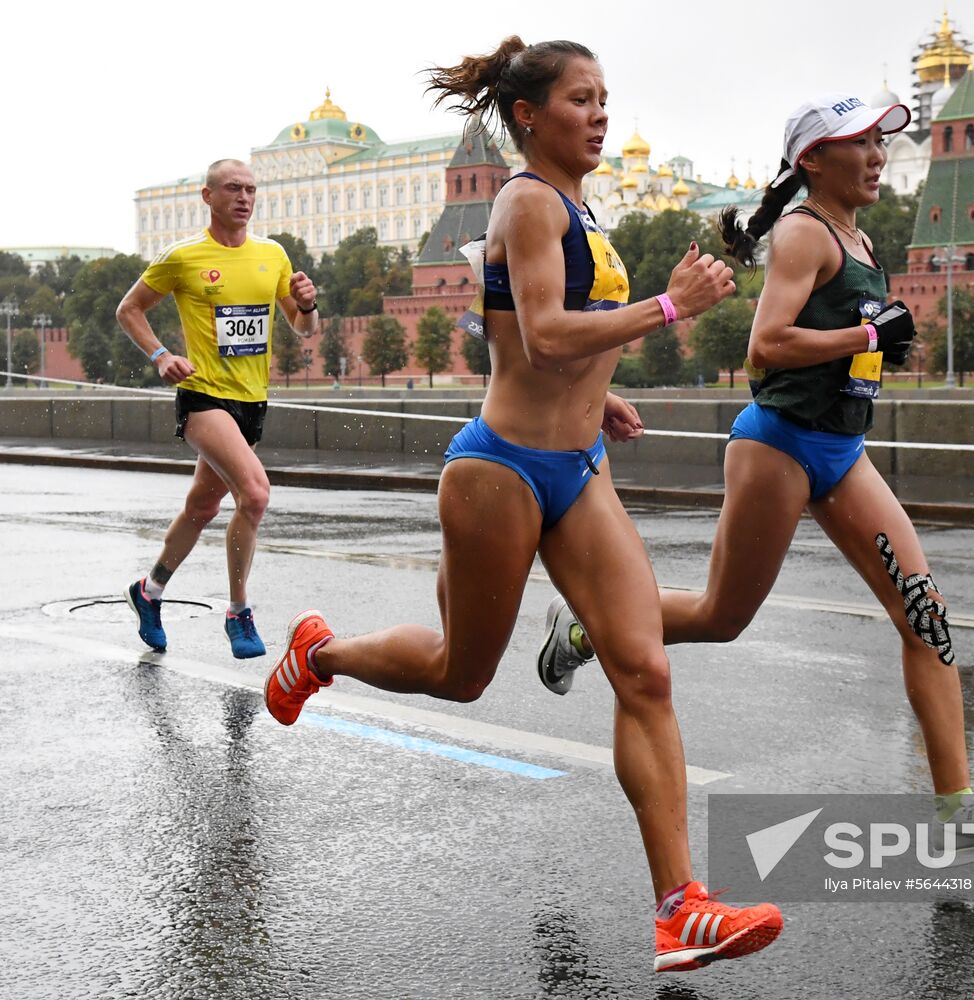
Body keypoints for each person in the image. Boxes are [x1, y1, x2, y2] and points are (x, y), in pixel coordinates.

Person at [261, 37, 782, 973]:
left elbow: (522, 329)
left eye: (606, 98)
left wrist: (598, 390)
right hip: (498, 473)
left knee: (645, 671)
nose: (601, 114)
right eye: (582, 99)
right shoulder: (525, 200)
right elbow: (542, 336)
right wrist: (671, 307)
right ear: (531, 116)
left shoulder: (579, 205)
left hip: (577, 470)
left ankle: (680, 910)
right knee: (462, 674)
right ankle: (319, 651)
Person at [539, 93, 974, 858]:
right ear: (813, 159)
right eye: (862, 144)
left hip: (842, 451)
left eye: (883, 144)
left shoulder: (862, 238)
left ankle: (959, 813)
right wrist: (868, 331)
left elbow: (847, 348)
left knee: (925, 615)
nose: (878, 157)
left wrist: (876, 351)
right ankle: (584, 626)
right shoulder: (803, 234)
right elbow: (766, 347)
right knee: (721, 616)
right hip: (778, 446)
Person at [119, 159, 319, 659]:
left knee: (203, 507)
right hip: (204, 397)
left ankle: (150, 589)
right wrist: (161, 355)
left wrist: (309, 304)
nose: (244, 197)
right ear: (208, 196)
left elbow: (304, 329)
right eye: (233, 188)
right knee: (254, 494)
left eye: (251, 189)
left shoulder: (272, 255)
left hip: (252, 402)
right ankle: (238, 613)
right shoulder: (184, 256)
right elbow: (129, 309)